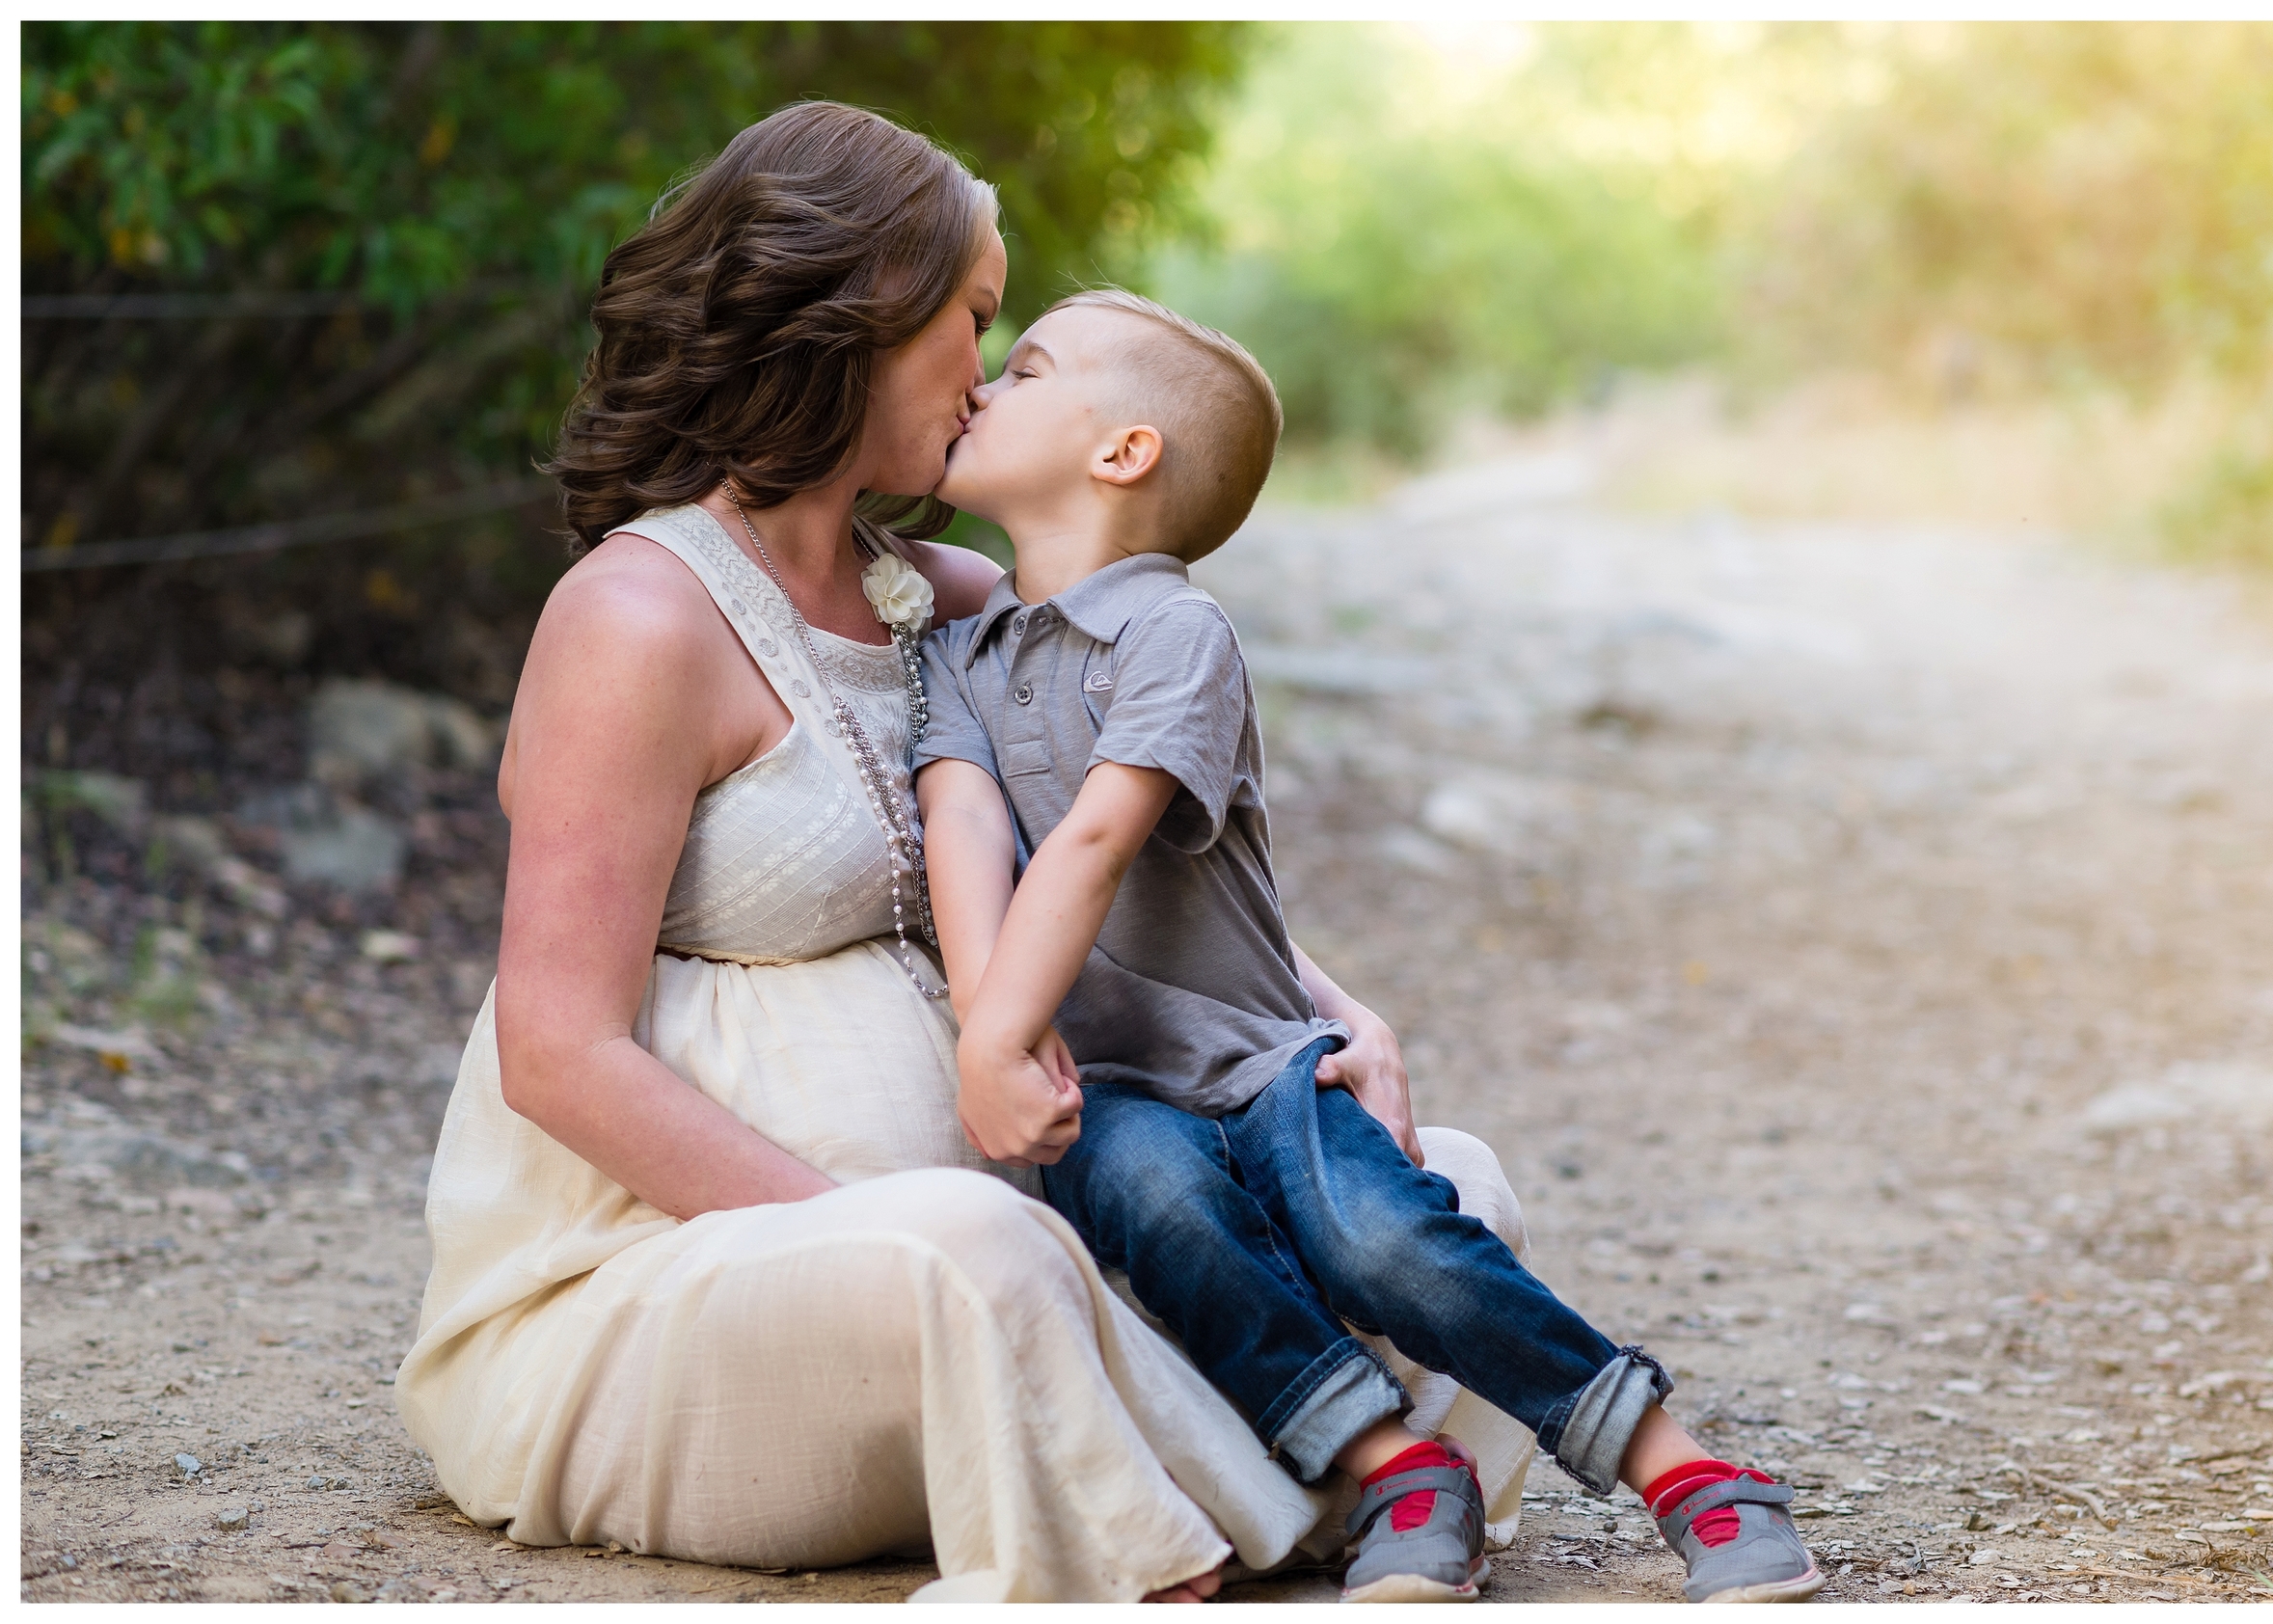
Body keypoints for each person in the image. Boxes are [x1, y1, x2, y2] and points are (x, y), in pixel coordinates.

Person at [395, 101, 1539, 1604]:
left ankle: (1234, 1468)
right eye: (978, 317)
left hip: (1029, 1226)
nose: (993, 371)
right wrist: (887, 1233)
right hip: (676, 1289)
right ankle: (1241, 1466)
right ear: (858, 310)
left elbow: (1106, 857)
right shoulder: (638, 621)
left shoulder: (956, 594)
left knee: (1442, 1184)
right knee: (975, 1257)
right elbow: (558, 1052)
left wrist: (1330, 1010)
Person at [913, 289, 1827, 1604]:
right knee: (1163, 1210)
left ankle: (1684, 1466)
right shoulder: (964, 650)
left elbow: (1100, 836)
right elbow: (961, 816)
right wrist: (983, 1026)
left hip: (1260, 1060)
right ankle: (1398, 1463)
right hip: (1107, 1090)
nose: (985, 386)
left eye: (1028, 367)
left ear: (1122, 453)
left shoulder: (1179, 631)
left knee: (1384, 1243)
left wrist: (1000, 1029)